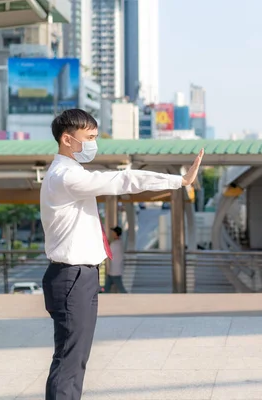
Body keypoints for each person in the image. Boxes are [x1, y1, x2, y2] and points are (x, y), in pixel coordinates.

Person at [40, 109, 203, 400]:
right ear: (67, 139)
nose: (93, 144)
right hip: (71, 276)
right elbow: (123, 180)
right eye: (88, 138)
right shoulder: (66, 177)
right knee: (69, 359)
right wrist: (178, 181)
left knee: (75, 358)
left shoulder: (72, 173)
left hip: (80, 275)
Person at [104, 226, 127, 293]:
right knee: (106, 289)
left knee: (121, 290)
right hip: (115, 271)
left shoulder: (114, 244)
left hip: (114, 272)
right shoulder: (121, 243)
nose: (112, 233)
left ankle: (129, 300)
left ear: (116, 233)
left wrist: (106, 243)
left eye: (113, 232)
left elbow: (108, 252)